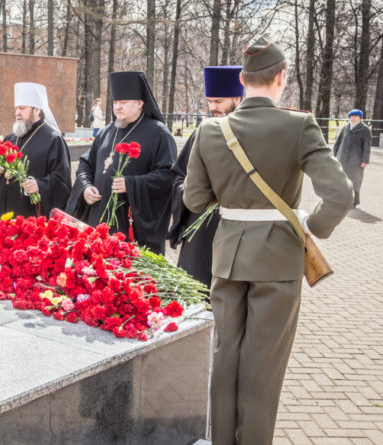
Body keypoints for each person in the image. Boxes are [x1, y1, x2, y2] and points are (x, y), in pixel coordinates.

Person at [183, 35, 353, 445]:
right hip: (277, 259)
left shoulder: (210, 130)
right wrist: (312, 225)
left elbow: (194, 198)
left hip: (226, 257)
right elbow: (341, 194)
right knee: (263, 365)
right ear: (281, 78)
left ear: (242, 80)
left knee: (225, 358)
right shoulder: (299, 125)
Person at [65, 71, 176, 255]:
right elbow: (85, 165)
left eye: (123, 103)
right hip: (98, 222)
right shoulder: (107, 132)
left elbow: (168, 176)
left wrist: (132, 184)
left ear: (140, 103)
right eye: (116, 103)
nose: (118, 108)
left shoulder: (159, 134)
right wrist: (85, 187)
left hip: (130, 227)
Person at [167, 65, 243, 288]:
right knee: (195, 290)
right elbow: (178, 175)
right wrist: (192, 190)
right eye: (209, 101)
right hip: (200, 228)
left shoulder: (255, 133)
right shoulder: (204, 131)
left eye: (218, 101)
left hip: (235, 227)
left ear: (237, 98)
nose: (212, 107)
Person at [0, 82, 71, 218]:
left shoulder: (53, 140)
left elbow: (62, 180)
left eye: (22, 108)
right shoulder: (10, 138)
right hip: (2, 212)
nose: (17, 112)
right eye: (16, 108)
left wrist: (40, 185)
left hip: (29, 216)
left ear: (37, 110)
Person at [333, 109, 371, 208]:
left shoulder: (365, 129)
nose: (353, 118)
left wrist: (365, 160)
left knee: (355, 179)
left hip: (356, 160)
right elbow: (338, 142)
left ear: (360, 118)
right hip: (341, 157)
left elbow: (367, 146)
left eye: (355, 116)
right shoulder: (345, 127)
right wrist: (334, 155)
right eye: (351, 116)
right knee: (340, 178)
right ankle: (340, 199)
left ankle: (354, 201)